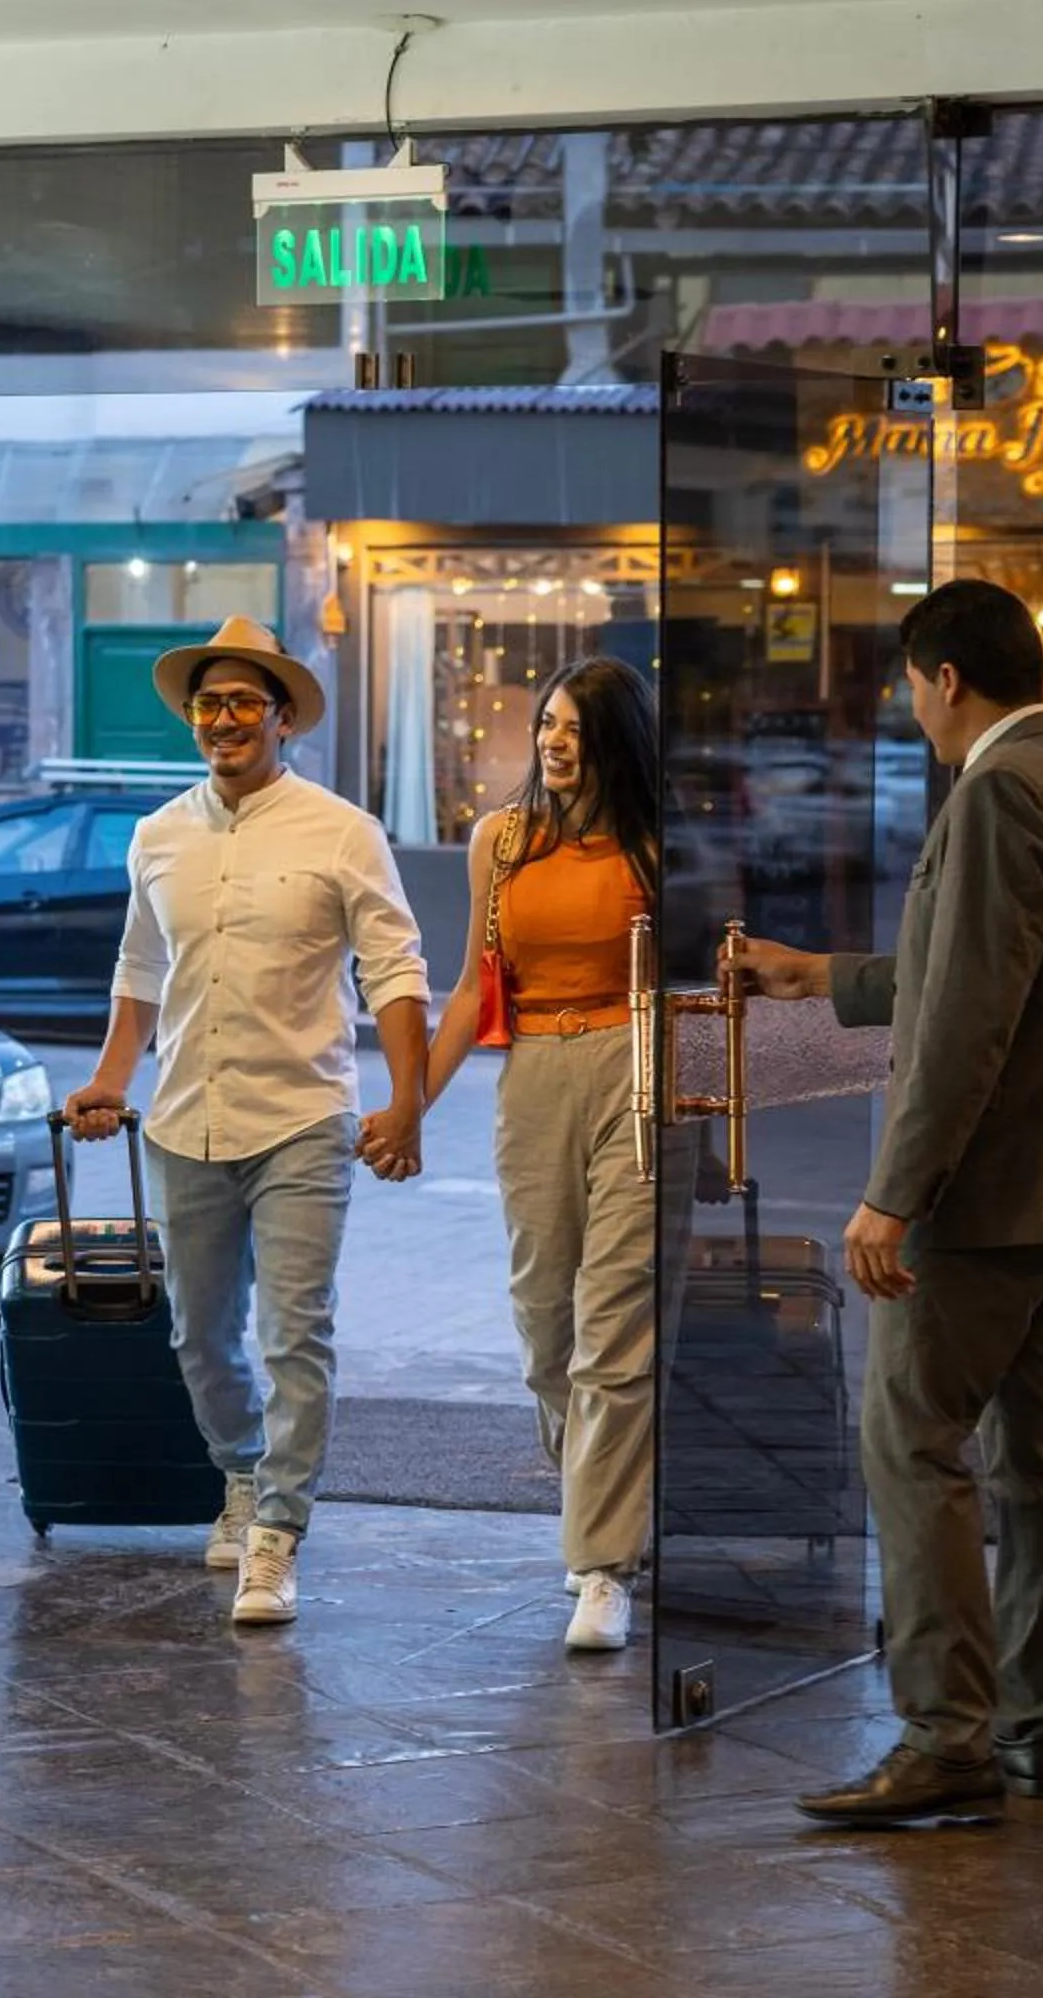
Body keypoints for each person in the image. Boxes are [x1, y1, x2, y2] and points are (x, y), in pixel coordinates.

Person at [735, 578, 1043, 1826]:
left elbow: (972, 1017)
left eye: (911, 689)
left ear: (946, 680)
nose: (913, 711)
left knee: (912, 1442)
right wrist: (819, 976)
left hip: (981, 1197)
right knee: (1037, 1459)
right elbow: (974, 963)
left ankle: (944, 1732)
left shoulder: (993, 792)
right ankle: (1032, 1725)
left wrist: (888, 1196)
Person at [61, 615, 431, 1628]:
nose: (225, 719)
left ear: (281, 718)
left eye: (243, 703)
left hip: (304, 1116)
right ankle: (239, 1469)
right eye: (209, 703)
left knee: (294, 1330)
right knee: (197, 1334)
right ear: (193, 719)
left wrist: (407, 1100)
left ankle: (277, 1532)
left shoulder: (343, 830)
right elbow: (139, 971)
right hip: (185, 1115)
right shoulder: (158, 836)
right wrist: (107, 1078)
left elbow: (395, 968)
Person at [425, 657, 660, 1654]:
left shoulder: (653, 848)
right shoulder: (503, 841)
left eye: (578, 726)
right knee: (543, 1321)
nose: (557, 740)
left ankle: (601, 1563)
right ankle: (598, 1503)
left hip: (631, 1069)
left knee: (614, 1328)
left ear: (616, 740)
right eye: (550, 722)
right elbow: (474, 989)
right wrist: (406, 1108)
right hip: (530, 1077)